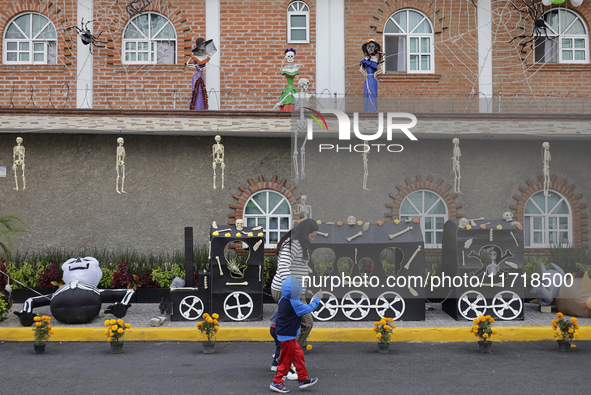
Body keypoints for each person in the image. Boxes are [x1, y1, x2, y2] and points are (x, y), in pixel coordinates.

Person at [270, 218, 318, 350]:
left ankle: (287, 351)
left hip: (293, 291)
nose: (313, 239)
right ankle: (289, 352)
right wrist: (291, 287)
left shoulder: (299, 244)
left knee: (293, 324)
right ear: (305, 233)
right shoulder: (293, 244)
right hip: (287, 291)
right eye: (312, 236)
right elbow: (283, 266)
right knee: (307, 323)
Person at [270, 276, 322, 393]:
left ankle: (303, 379)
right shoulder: (295, 302)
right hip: (288, 336)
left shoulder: (284, 298)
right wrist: (317, 298)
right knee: (285, 361)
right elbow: (307, 308)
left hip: (287, 335)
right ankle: (277, 382)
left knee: (298, 355)